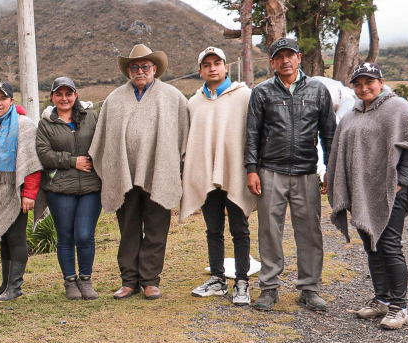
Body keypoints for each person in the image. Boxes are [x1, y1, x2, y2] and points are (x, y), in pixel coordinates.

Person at [88, 44, 189, 301]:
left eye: (145, 66)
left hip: (159, 172)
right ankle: (129, 280)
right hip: (124, 174)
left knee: (156, 228)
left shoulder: (172, 96)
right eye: (135, 67)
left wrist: (179, 168)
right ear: (128, 71)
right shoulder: (114, 99)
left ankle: (150, 281)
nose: (140, 71)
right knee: (129, 228)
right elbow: (103, 140)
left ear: (154, 69)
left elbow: (185, 135)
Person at [245, 37, 336, 312]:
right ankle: (269, 289)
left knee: (309, 232)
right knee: (269, 231)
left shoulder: (318, 91)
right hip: (270, 170)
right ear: (272, 62)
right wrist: (251, 170)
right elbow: (251, 135)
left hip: (307, 172)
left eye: (290, 55)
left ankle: (310, 289)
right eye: (279, 56)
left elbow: (329, 133)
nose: (285, 60)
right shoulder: (261, 92)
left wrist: (330, 168)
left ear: (299, 58)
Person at [328, 63, 408, 330]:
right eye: (358, 83)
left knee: (388, 245)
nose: (363, 88)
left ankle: (399, 307)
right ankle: (382, 299)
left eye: (369, 82)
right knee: (371, 244)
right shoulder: (352, 114)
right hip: (362, 192)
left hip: (390, 192)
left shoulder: (398, 107)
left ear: (381, 81)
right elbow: (339, 149)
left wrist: (402, 181)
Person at [180, 47, 256, 306]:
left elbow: (252, 134)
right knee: (213, 229)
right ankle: (217, 279)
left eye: (217, 63)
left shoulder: (244, 96)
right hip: (208, 175)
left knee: (239, 228)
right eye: (207, 64)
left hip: (235, 172)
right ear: (200, 70)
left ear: (225, 67)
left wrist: (253, 169)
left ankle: (242, 281)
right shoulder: (194, 102)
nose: (212, 68)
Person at [35, 77, 102, 300]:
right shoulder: (46, 124)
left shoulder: (91, 117)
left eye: (68, 93)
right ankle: (70, 281)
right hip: (60, 188)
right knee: (65, 236)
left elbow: (102, 143)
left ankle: (86, 279)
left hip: (91, 186)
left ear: (76, 95)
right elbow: (44, 155)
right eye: (59, 94)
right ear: (52, 97)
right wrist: (73, 161)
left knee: (84, 235)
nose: (64, 98)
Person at [0, 82, 43, 302]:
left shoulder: (24, 125)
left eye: (3, 99)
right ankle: (5, 284)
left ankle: (15, 287)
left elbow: (32, 162)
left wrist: (29, 193)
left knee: (16, 238)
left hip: (17, 191)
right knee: (4, 239)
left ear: (11, 101)